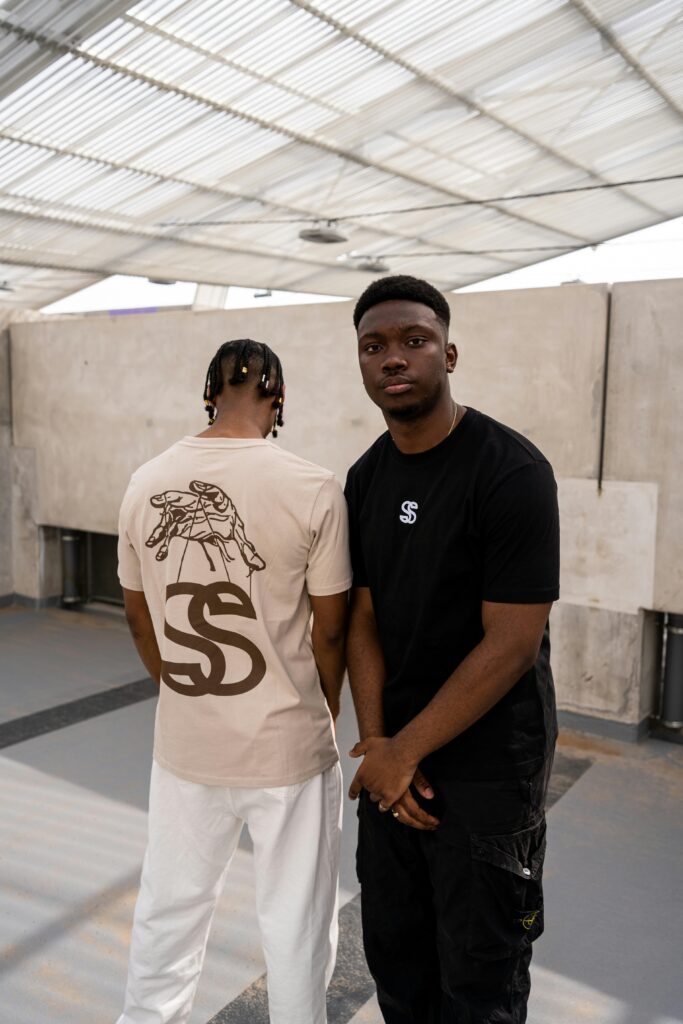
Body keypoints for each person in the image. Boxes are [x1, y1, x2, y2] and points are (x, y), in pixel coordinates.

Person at [344, 276, 560, 1024]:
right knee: (399, 973)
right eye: (374, 346)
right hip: (394, 765)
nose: (392, 358)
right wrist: (378, 743)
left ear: (449, 353)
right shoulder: (366, 477)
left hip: (487, 777)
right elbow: (361, 620)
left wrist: (402, 752)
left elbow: (511, 641)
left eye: (413, 340)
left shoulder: (511, 472)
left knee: (480, 989)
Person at [116, 339, 351, 1024]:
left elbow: (139, 620)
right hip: (287, 749)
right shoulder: (312, 486)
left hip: (187, 746)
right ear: (278, 401)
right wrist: (320, 713)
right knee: (296, 926)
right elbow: (330, 630)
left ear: (207, 393)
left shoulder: (144, 482)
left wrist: (186, 689)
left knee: (169, 914)